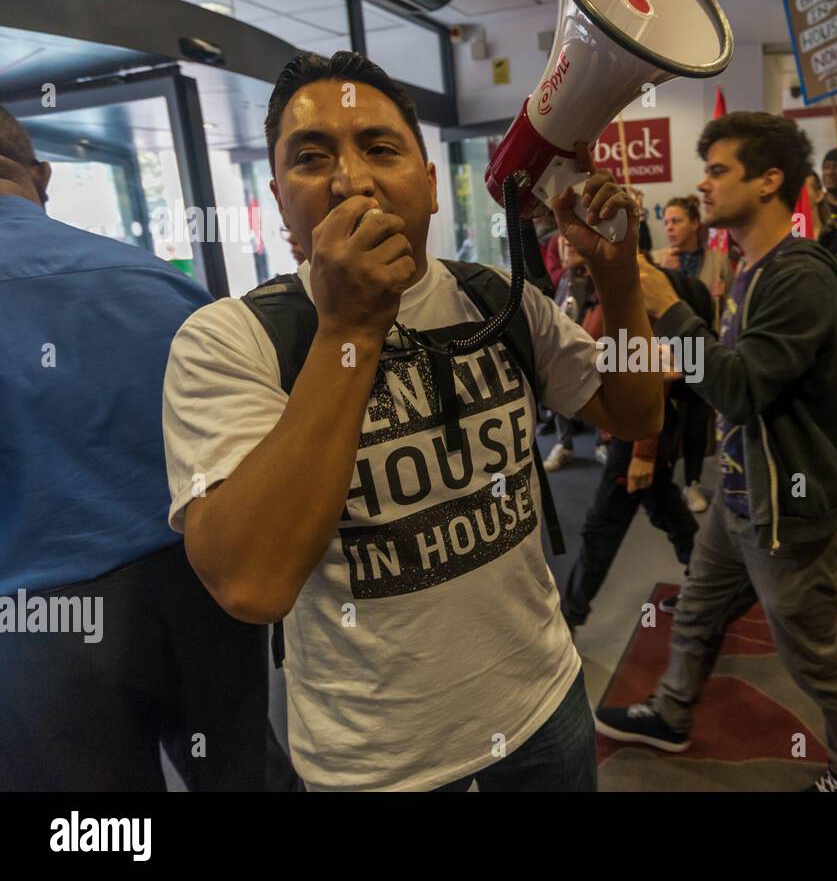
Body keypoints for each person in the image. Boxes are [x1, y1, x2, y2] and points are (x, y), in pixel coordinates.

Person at [161, 51, 662, 792]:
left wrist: (618, 285)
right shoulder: (226, 341)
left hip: (545, 707)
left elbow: (634, 409)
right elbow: (251, 582)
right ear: (278, 198)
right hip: (378, 765)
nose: (351, 178)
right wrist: (348, 331)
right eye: (311, 157)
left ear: (430, 186)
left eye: (380, 148)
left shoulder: (498, 298)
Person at [0, 106, 294, 791]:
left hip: (38, 624)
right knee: (245, 776)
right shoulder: (157, 280)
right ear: (42, 175)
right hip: (201, 588)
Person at [596, 111, 837, 793]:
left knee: (812, 649)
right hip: (744, 488)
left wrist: (669, 311)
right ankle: (670, 710)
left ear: (771, 180)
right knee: (696, 605)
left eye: (720, 170)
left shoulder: (797, 277)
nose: (704, 184)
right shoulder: (757, 268)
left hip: (789, 502)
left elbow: (742, 389)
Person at [562, 259, 713, 627]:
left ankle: (570, 618)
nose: (562, 243)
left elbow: (652, 368)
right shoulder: (591, 281)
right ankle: (710, 590)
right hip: (627, 429)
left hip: (639, 434)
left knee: (602, 528)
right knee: (667, 512)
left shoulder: (632, 279)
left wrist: (643, 451)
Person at [662, 193, 730, 512]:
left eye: (676, 221)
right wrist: (664, 275)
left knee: (696, 420)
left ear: (694, 224)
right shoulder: (660, 260)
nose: (670, 228)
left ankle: (692, 481)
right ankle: (660, 479)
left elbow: (730, 310)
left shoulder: (717, 260)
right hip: (667, 353)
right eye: (666, 222)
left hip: (702, 348)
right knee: (665, 420)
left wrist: (722, 294)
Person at [542, 232, 597, 471]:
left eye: (573, 242)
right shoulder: (566, 279)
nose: (568, 244)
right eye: (565, 242)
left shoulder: (597, 279)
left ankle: (605, 442)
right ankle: (564, 444)